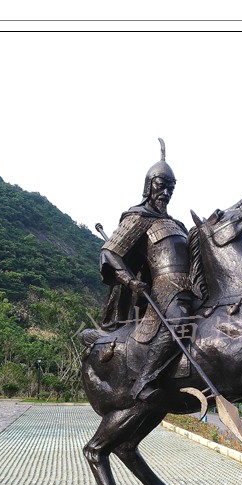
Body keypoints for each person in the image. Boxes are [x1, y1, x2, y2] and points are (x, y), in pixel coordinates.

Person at [99, 139, 196, 402]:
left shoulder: (177, 224)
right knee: (178, 321)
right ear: (148, 185)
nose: (166, 192)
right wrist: (131, 282)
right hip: (163, 293)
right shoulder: (137, 217)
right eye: (161, 185)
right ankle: (145, 381)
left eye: (171, 188)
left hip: (190, 288)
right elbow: (110, 252)